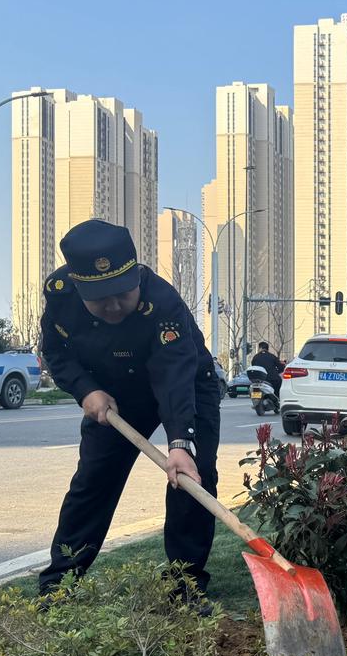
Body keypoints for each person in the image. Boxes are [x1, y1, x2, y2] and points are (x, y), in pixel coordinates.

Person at [38, 219, 222, 608]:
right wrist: (86, 391)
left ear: (136, 274)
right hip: (114, 395)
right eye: (99, 298)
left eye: (121, 294)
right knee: (93, 482)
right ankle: (60, 583)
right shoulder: (59, 296)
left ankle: (185, 586)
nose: (112, 305)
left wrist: (180, 444)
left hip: (187, 385)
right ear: (77, 284)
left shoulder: (164, 303)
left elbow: (174, 376)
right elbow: (56, 353)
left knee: (192, 478)